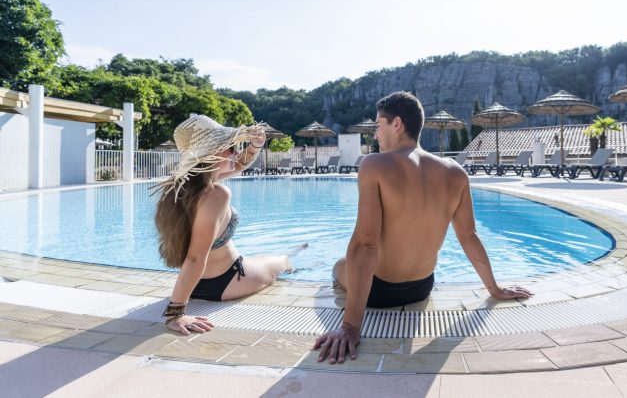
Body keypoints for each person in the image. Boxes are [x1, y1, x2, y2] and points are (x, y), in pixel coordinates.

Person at [314, 92, 532, 364]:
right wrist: (495, 289)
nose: (375, 134)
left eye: (378, 126)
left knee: (338, 266)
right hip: (422, 287)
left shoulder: (375, 165)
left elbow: (365, 245)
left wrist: (350, 327)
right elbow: (469, 236)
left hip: (379, 291)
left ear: (396, 124)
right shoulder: (455, 172)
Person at [154, 114, 302, 335]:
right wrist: (175, 313)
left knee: (263, 258)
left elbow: (239, 165)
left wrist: (255, 146)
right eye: (230, 147)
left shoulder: (180, 188)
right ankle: (294, 256)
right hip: (226, 281)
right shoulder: (216, 194)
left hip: (195, 284)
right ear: (212, 153)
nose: (235, 152)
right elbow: (196, 257)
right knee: (283, 262)